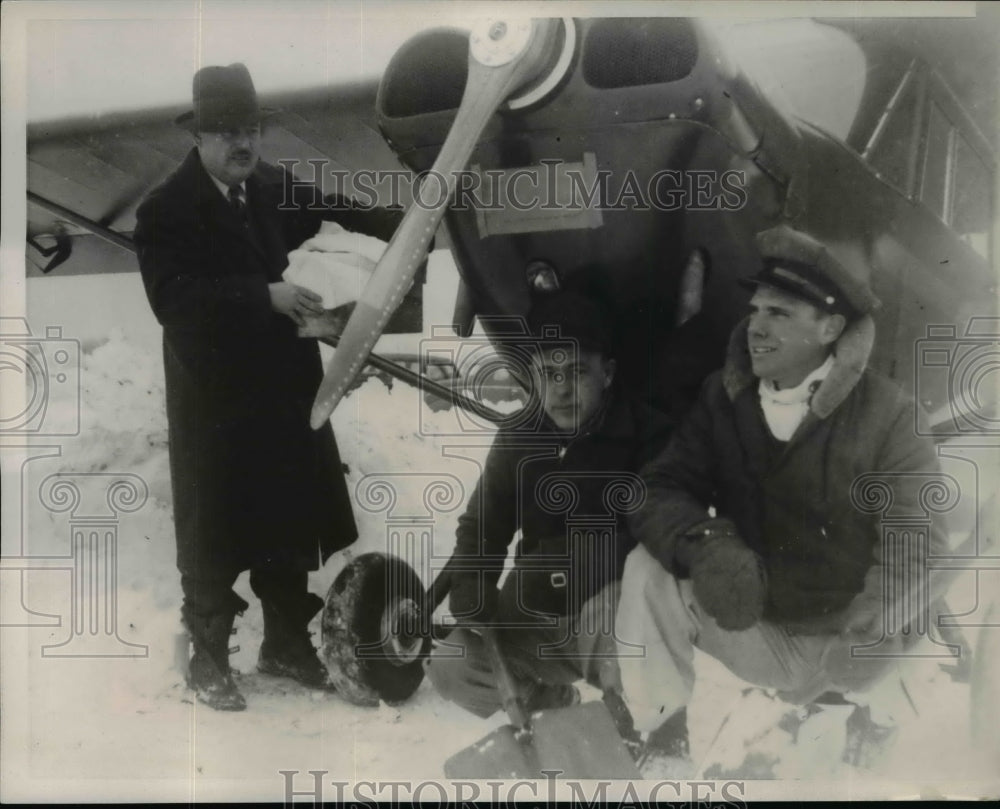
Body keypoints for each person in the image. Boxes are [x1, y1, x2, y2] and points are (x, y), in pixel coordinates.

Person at [614, 225, 948, 765]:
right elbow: (656, 489)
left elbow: (917, 542)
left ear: (830, 327)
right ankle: (663, 735)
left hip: (858, 643)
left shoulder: (891, 415)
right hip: (766, 634)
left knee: (918, 620)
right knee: (646, 570)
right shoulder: (723, 399)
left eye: (780, 313)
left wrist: (870, 627)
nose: (756, 328)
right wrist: (706, 542)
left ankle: (873, 720)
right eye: (757, 309)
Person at [134, 63, 401, 711]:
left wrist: (412, 216)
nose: (241, 143)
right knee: (215, 533)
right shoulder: (166, 209)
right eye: (226, 132)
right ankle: (206, 659)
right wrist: (265, 295)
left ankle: (284, 644)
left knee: (289, 516)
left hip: (284, 390)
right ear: (198, 137)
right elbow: (173, 301)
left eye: (249, 129)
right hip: (214, 401)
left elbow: (349, 213)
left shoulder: (274, 187)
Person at [424, 279, 673, 719]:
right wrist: (472, 583)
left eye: (576, 373)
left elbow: (660, 536)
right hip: (534, 610)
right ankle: (549, 706)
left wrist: (571, 562)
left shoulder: (645, 434)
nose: (560, 390)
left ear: (608, 373)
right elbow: (484, 523)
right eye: (548, 374)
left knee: (640, 658)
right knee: (451, 667)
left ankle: (644, 734)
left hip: (610, 615)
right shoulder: (519, 435)